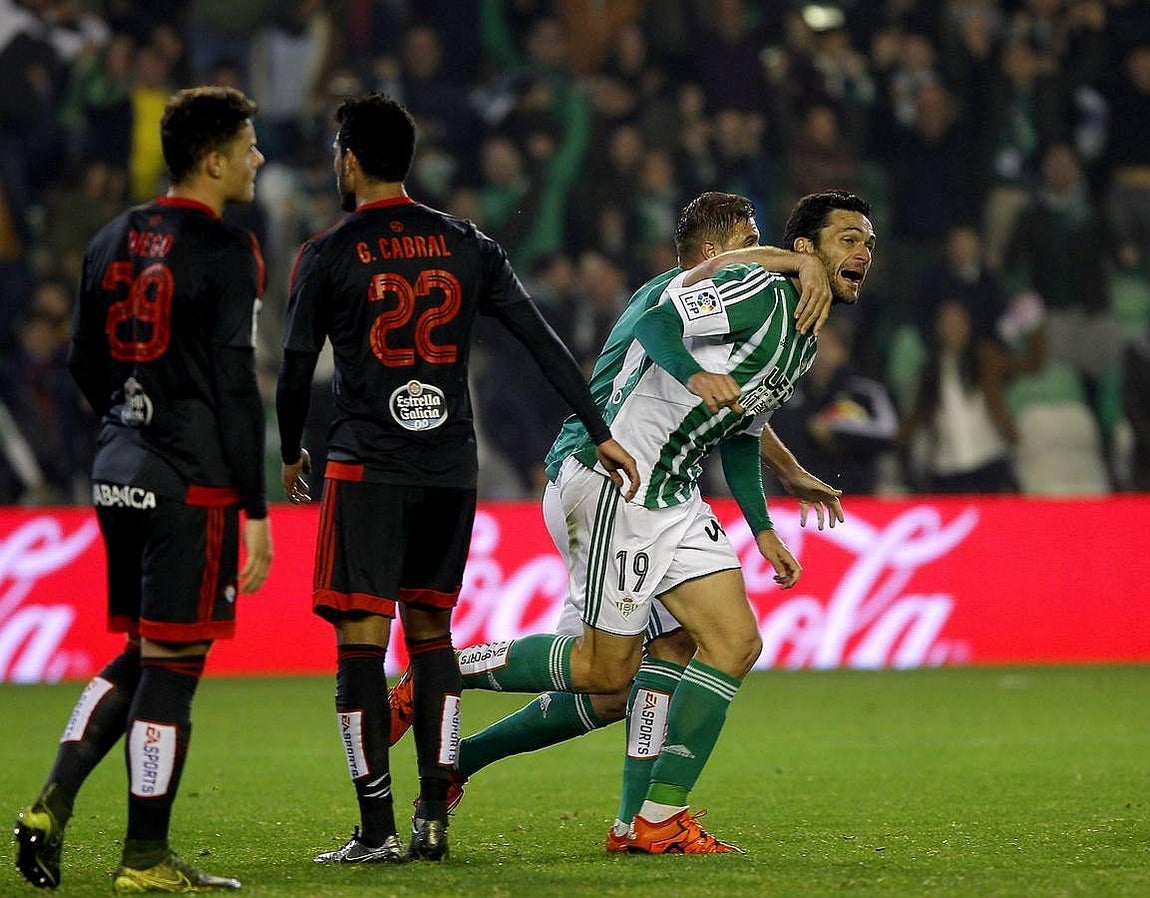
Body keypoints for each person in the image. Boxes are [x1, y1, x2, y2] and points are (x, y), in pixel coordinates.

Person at [395, 190, 874, 854]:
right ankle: (438, 672)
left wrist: (766, 519)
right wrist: (700, 361)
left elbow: (740, 426)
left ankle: (648, 818)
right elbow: (656, 319)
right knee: (602, 672)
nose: (863, 253)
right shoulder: (745, 290)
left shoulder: (798, 332)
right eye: (849, 239)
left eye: (868, 244)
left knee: (718, 644)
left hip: (669, 492)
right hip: (619, 478)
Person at [274, 93, 638, 866]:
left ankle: (375, 831)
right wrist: (600, 430)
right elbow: (544, 346)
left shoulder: (328, 250)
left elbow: (295, 365)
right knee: (432, 637)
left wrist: (288, 451)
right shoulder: (469, 244)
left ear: (349, 158)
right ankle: (434, 816)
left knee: (360, 650)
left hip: (368, 467)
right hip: (449, 470)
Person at [15, 86, 272, 893]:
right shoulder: (230, 251)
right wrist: (255, 508)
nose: (258, 158)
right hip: (188, 483)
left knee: (142, 649)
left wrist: (129, 422)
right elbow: (236, 387)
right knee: (175, 664)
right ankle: (145, 858)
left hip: (117, 469)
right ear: (214, 160)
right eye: (248, 145)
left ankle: (52, 801)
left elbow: (83, 362)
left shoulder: (110, 236)